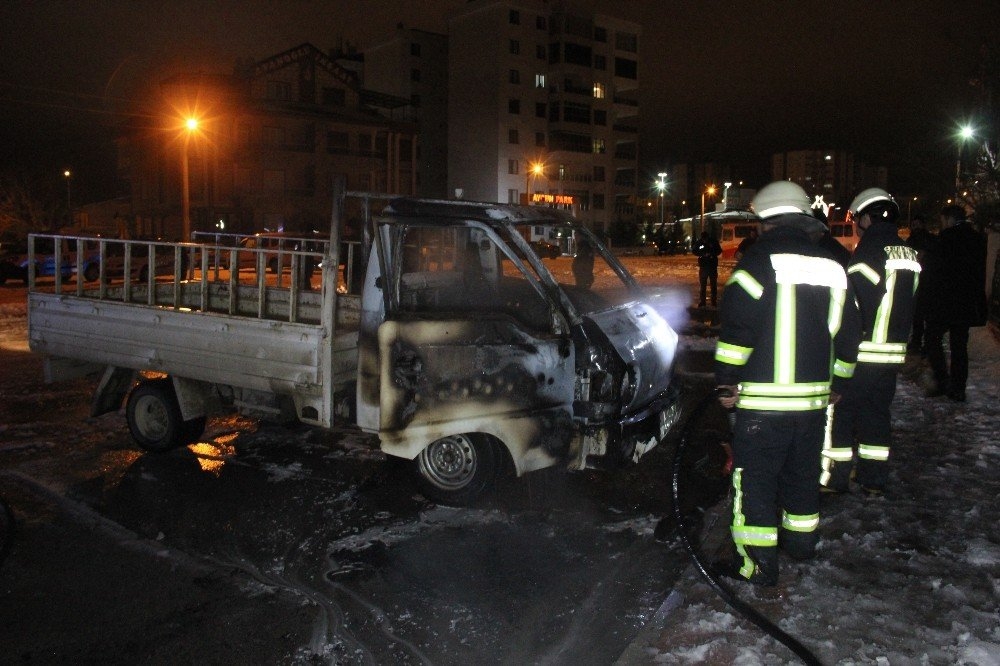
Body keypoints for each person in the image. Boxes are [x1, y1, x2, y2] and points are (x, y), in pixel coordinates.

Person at [712, 181, 861, 586]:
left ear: (765, 221)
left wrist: (726, 383)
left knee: (755, 481)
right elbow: (848, 337)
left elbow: (737, 333)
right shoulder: (833, 265)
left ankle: (756, 565)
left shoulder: (757, 263)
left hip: (762, 404)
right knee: (801, 476)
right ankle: (800, 545)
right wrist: (839, 383)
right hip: (813, 405)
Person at [821, 188, 920, 496]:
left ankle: (834, 479)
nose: (854, 225)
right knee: (876, 415)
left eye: (856, 218)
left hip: (864, 352)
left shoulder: (868, 253)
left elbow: (854, 309)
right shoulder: (908, 254)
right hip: (891, 354)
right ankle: (872, 479)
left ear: (867, 218)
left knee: (841, 414)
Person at [921, 205, 988, 402]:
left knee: (932, 338)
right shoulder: (977, 239)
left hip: (944, 301)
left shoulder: (944, 240)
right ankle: (958, 388)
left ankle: (942, 380)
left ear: (949, 219)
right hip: (966, 301)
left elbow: (932, 271)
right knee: (959, 345)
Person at [905, 215, 935, 354]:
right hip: (917, 282)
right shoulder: (910, 241)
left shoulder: (930, 240)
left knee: (926, 315)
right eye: (914, 224)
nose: (916, 226)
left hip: (928, 281)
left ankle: (926, 343)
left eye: (918, 223)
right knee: (918, 316)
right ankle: (918, 342)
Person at [693, 230, 723, 307]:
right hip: (703, 266)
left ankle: (713, 301)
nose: (704, 240)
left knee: (713, 285)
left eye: (705, 239)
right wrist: (702, 254)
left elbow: (719, 250)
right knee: (703, 285)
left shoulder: (713, 242)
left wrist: (711, 254)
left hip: (712, 265)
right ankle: (703, 301)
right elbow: (694, 251)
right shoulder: (699, 242)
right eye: (703, 239)